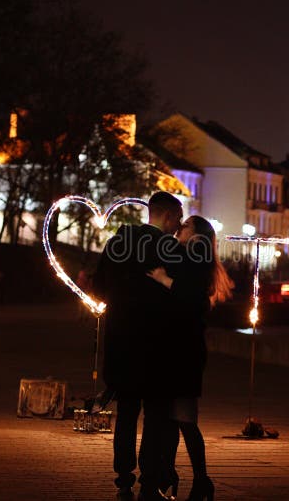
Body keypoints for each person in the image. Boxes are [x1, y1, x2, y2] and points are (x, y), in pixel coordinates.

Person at [93, 191, 184, 501]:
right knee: (156, 415)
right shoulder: (169, 248)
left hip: (121, 340)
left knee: (127, 411)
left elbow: (97, 286)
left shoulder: (118, 243)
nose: (179, 225)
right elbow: (181, 295)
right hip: (158, 345)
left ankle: (123, 477)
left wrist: (120, 305)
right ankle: (149, 479)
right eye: (178, 219)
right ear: (169, 217)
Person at [147, 216, 234, 501]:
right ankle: (170, 475)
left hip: (184, 352)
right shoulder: (190, 257)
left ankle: (200, 480)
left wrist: (163, 279)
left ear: (196, 235)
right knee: (174, 419)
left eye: (185, 226)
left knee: (184, 418)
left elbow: (194, 300)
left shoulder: (196, 260)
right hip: (177, 349)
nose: (179, 228)